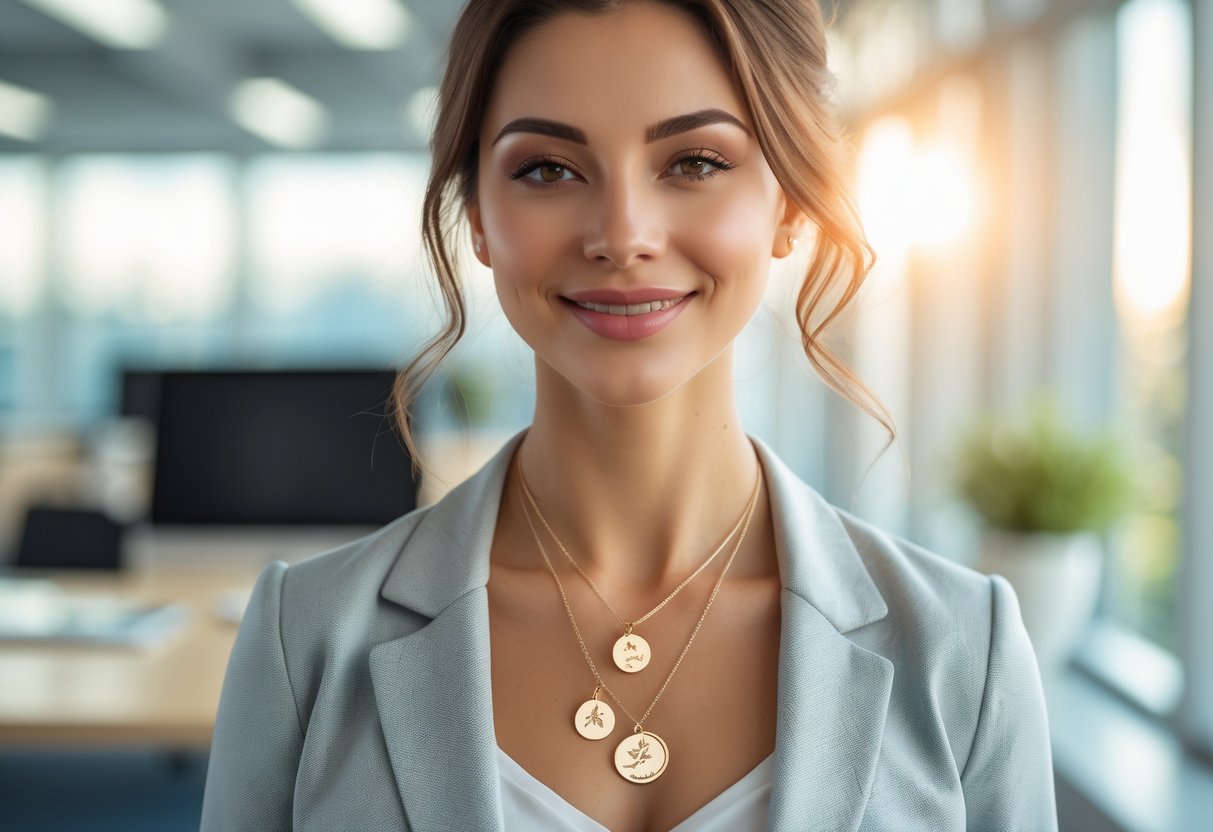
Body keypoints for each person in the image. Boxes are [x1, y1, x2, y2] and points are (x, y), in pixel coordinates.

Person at [200, 1, 1058, 830]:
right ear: (479, 219)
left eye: (693, 162)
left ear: (790, 204)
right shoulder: (302, 637)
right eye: (547, 168)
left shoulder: (961, 649)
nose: (622, 233)